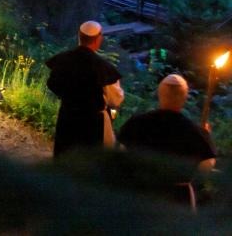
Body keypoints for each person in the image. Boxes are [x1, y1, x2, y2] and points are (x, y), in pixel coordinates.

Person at [118, 74, 216, 206]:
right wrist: (205, 137)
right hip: (177, 200)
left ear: (159, 94)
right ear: (185, 97)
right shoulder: (196, 132)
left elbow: (122, 155)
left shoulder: (136, 124)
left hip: (141, 195)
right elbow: (206, 167)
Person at [45, 21, 124, 157]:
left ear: (79, 36)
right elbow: (115, 100)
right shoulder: (103, 69)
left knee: (65, 157)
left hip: (67, 116)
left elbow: (53, 84)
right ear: (98, 38)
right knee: (89, 162)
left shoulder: (63, 60)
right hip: (92, 123)